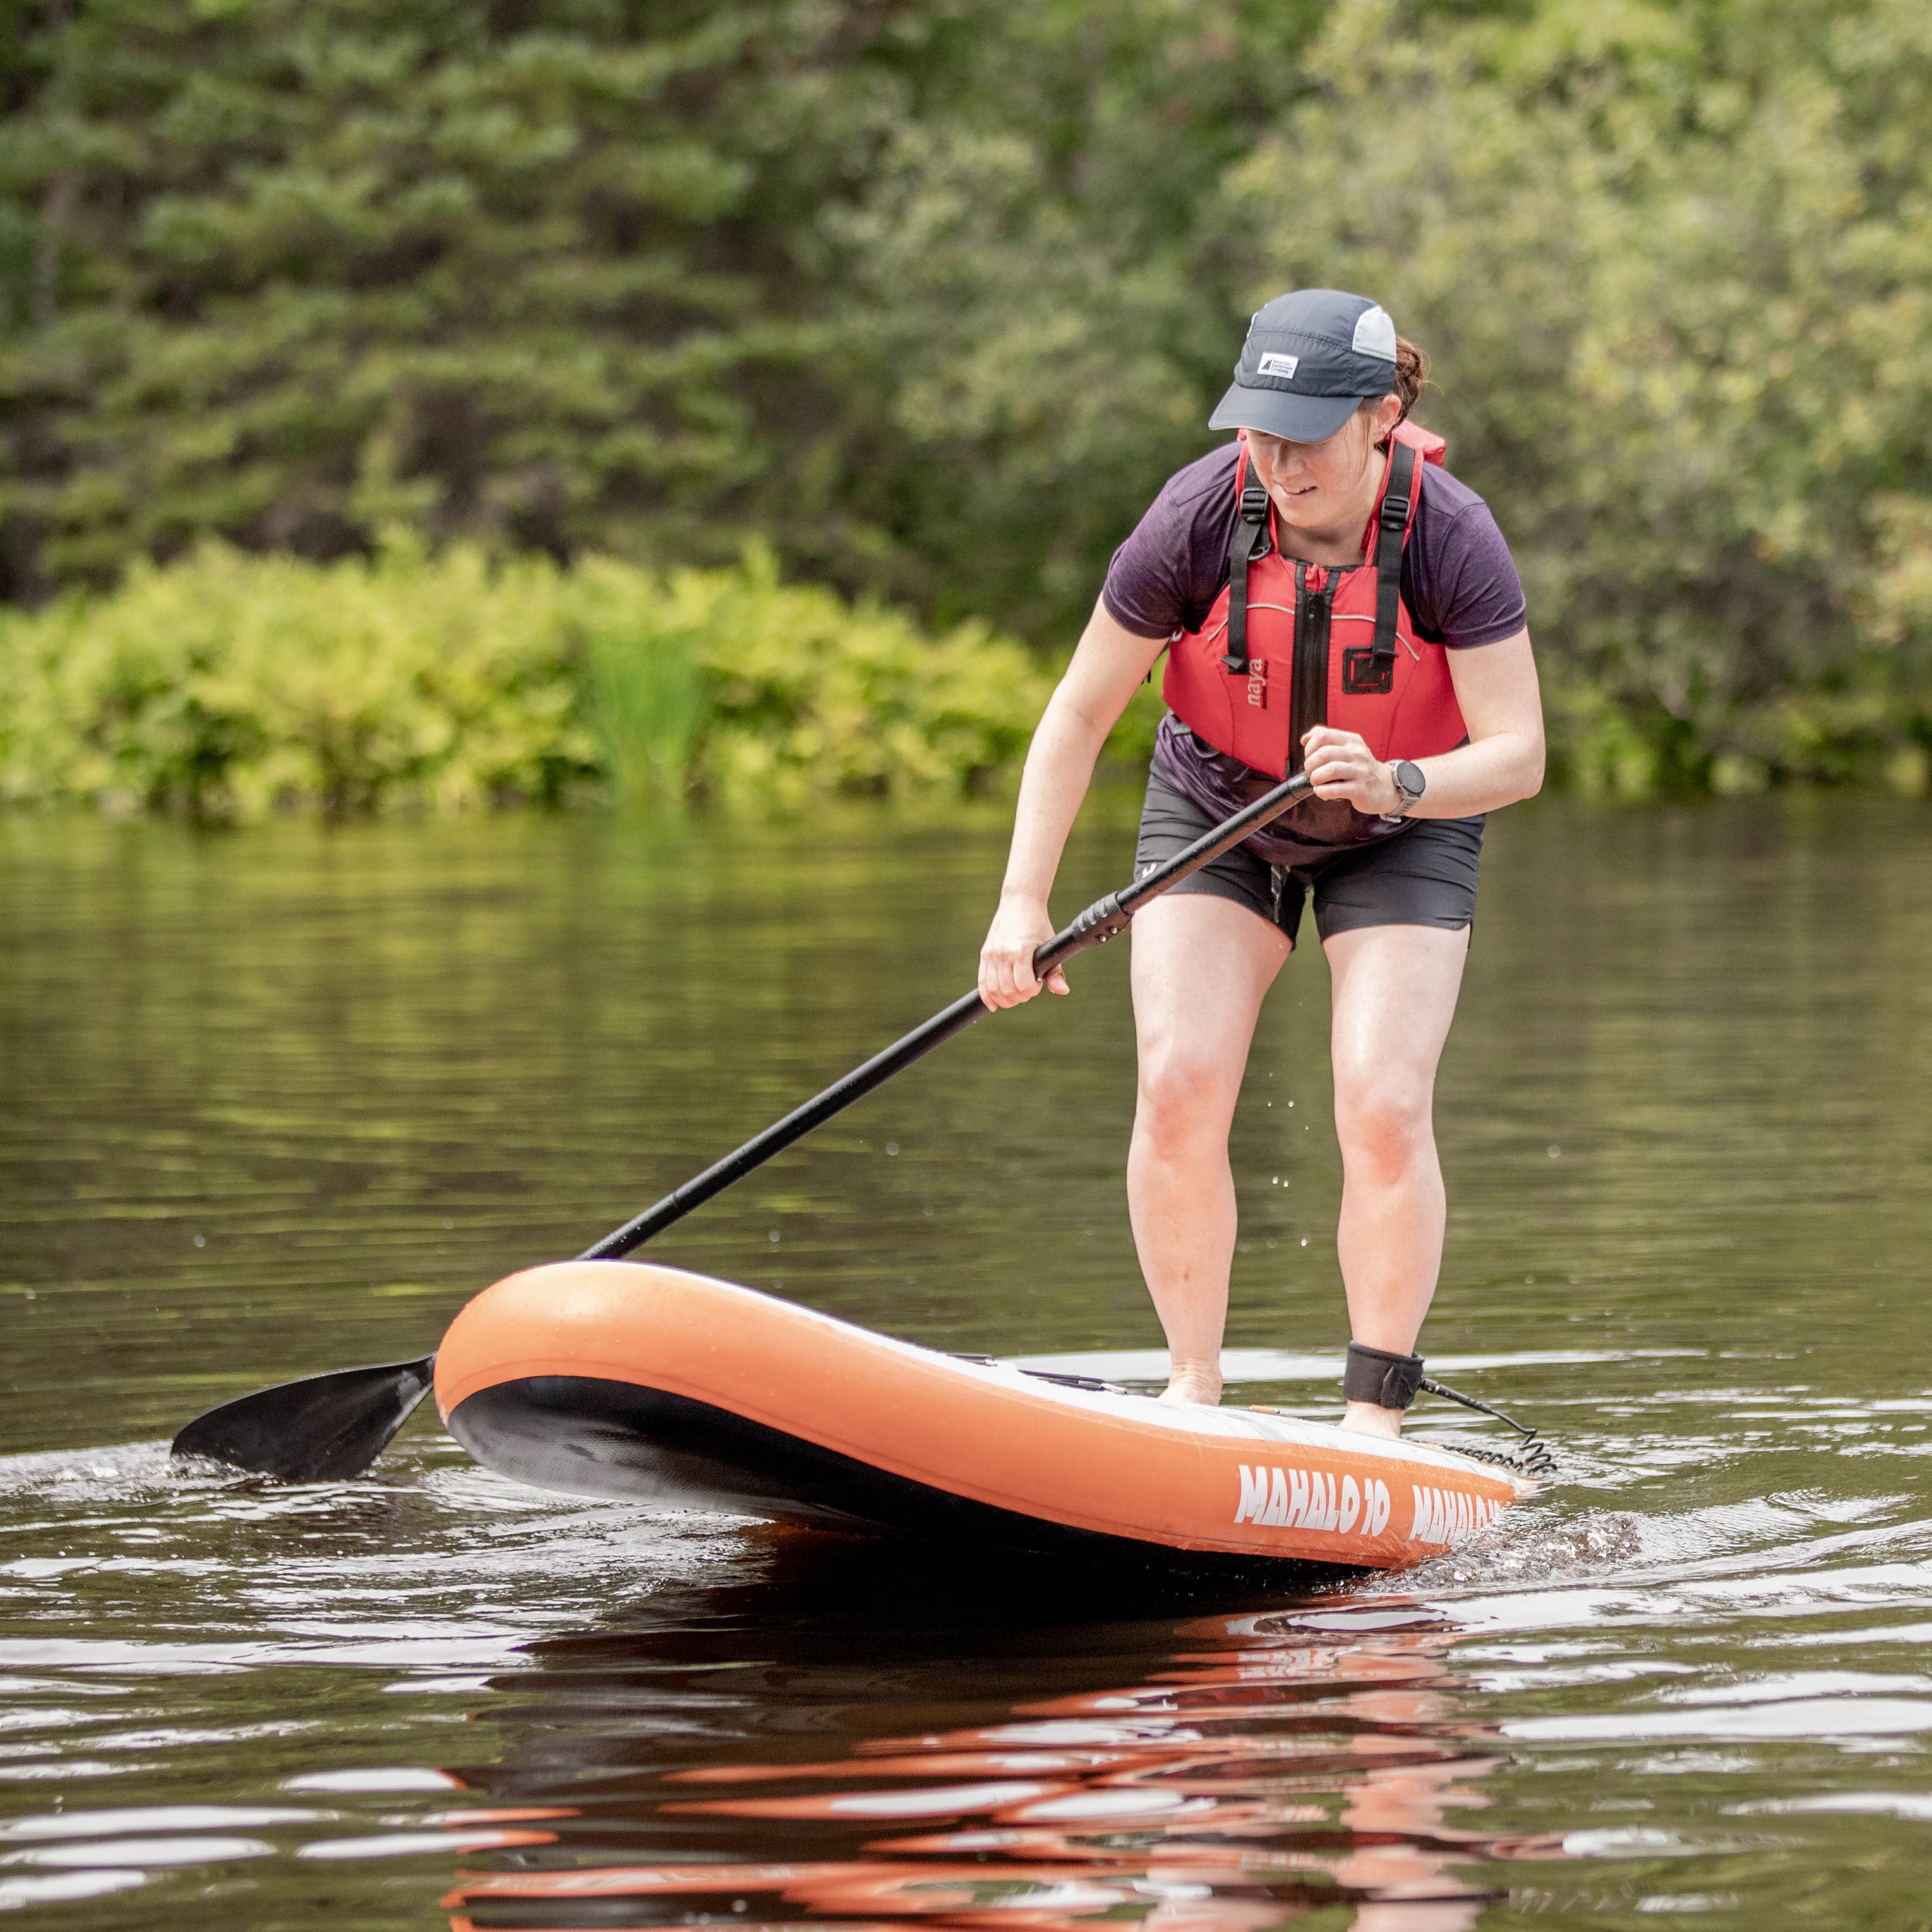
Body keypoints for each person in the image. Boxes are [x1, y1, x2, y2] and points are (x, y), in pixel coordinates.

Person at [977, 288, 1544, 1438]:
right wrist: (1020, 903)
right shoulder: (1196, 515)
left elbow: (1521, 752)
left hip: (1402, 819)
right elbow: (1080, 712)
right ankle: (1191, 1390)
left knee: (1382, 1102)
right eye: (1257, 427)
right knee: (1181, 1082)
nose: (1277, 460)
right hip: (1216, 806)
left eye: (1307, 430)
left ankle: (1373, 1421)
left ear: (1382, 415)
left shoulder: (1451, 533)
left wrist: (1400, 782)